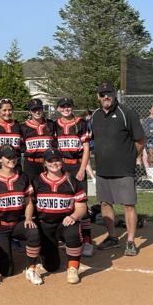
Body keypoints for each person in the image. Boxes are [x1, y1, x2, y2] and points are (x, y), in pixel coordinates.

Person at [91, 81, 145, 256]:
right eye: (102, 94)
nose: (106, 97)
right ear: (98, 97)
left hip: (123, 169)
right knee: (105, 203)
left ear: (114, 95)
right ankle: (113, 237)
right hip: (103, 169)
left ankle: (130, 241)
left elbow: (140, 140)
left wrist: (130, 158)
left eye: (109, 93)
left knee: (128, 204)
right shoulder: (95, 116)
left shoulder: (126, 113)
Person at [0, 145, 42, 285]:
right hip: (0, 227)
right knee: (7, 271)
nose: (12, 159)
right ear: (0, 159)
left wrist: (28, 218)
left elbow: (29, 203)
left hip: (17, 223)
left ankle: (31, 268)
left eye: (14, 156)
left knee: (33, 232)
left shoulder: (23, 177)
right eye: (8, 157)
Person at [32, 148, 87, 284]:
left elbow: (81, 207)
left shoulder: (72, 181)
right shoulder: (37, 181)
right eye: (50, 161)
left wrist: (73, 217)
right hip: (46, 224)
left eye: (57, 159)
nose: (54, 163)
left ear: (61, 161)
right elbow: (30, 205)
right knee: (51, 267)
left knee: (73, 231)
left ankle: (73, 269)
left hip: (65, 223)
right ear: (45, 163)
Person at [54, 97, 94, 257]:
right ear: (58, 109)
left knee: (81, 203)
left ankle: (87, 240)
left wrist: (82, 169)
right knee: (64, 201)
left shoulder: (81, 123)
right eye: (63, 106)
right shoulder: (55, 125)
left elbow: (86, 148)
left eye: (69, 106)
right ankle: (65, 237)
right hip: (61, 166)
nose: (66, 108)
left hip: (76, 165)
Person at [20, 98, 57, 181]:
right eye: (34, 109)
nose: (37, 112)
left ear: (42, 109)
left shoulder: (51, 124)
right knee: (31, 190)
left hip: (48, 163)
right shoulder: (23, 127)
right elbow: (21, 147)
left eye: (39, 108)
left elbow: (55, 144)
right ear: (29, 112)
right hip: (31, 164)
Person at [0, 98, 22, 171]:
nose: (7, 113)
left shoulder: (18, 126)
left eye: (10, 110)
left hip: (14, 166)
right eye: (4, 110)